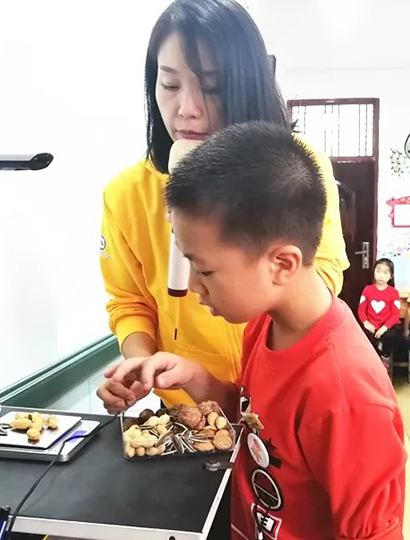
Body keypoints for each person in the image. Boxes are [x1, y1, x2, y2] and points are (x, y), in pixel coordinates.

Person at [108, 123, 406, 540]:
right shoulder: (265, 325)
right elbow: (256, 421)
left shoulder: (346, 397)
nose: (192, 285)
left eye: (205, 270)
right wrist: (194, 377)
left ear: (281, 264)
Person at [97, 0, 348, 412]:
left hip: (284, 399)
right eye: (170, 85)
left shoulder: (299, 168)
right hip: (188, 406)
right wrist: (141, 364)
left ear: (248, 85)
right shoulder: (126, 193)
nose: (186, 109)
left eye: (211, 88)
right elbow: (129, 300)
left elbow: (321, 273)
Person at [358, 258, 403, 368]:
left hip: (388, 326)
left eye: (385, 273)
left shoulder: (393, 292)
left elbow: (395, 314)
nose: (381, 275)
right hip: (371, 324)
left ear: (391, 276)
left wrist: (384, 327)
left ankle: (385, 357)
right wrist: (366, 323)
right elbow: (361, 310)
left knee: (392, 336)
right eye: (378, 271)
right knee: (361, 335)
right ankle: (374, 358)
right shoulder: (367, 289)